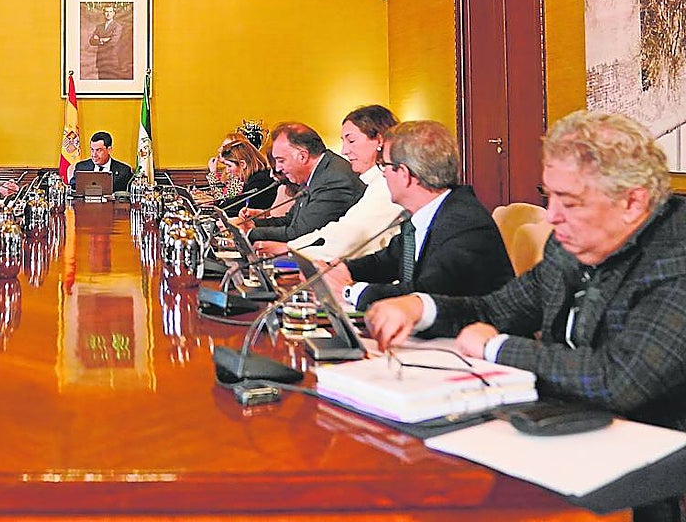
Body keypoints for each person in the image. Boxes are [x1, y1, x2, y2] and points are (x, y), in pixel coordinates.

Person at [366, 111, 686, 522]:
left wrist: (497, 348)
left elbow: (617, 379)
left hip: (650, 468)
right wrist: (420, 307)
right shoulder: (568, 246)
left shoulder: (676, 256)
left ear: (633, 202)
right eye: (548, 196)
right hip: (559, 433)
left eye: (569, 201)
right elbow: (494, 309)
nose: (551, 216)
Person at [322, 120, 513, 311]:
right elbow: (387, 261)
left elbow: (426, 294)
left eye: (384, 165)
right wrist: (342, 270)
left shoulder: (463, 224)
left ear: (404, 173)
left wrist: (350, 291)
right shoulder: (424, 214)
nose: (384, 174)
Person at [252, 105, 401, 262]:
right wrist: (290, 247)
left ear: (379, 140)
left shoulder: (384, 185)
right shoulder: (374, 182)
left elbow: (351, 237)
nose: (344, 151)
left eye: (351, 140)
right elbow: (338, 228)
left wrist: (290, 249)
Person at [239, 122, 364, 243]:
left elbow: (300, 234)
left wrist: (249, 232)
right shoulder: (316, 173)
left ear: (303, 156)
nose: (277, 168)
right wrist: (253, 223)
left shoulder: (333, 180)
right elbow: (290, 220)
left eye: (281, 160)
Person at [213, 140, 276, 216]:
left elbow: (234, 207)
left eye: (229, 166)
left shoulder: (260, 182)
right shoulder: (253, 179)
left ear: (242, 164)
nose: (227, 170)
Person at [70, 131, 134, 192]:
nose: (94, 155)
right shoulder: (81, 167)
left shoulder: (124, 171)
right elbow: (72, 187)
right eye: (92, 150)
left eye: (98, 150)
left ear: (109, 150)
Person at [88, 5, 128, 80]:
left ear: (114, 13)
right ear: (103, 13)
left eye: (110, 11)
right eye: (106, 11)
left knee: (112, 83)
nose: (108, 14)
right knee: (101, 82)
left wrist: (99, 39)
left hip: (112, 60)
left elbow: (113, 42)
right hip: (101, 60)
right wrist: (103, 40)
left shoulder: (117, 26)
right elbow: (91, 41)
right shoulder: (99, 27)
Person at [203, 131, 246, 201]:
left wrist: (213, 173)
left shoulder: (238, 174)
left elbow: (222, 199)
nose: (219, 150)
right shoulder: (229, 170)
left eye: (224, 147)